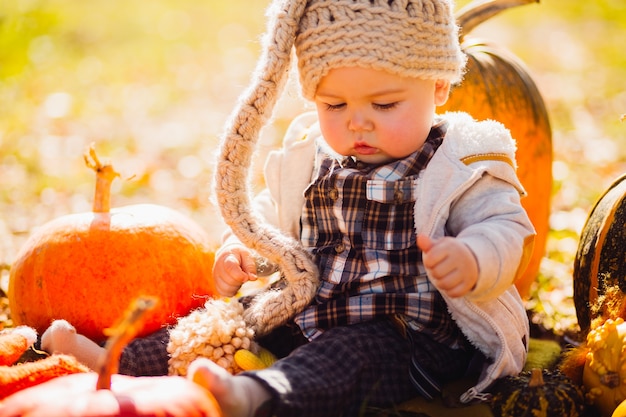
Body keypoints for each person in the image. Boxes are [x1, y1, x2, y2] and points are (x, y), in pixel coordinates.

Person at [42, 0, 535, 416]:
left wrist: (473, 259)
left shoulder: (460, 163)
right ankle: (113, 358)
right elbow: (272, 217)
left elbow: (506, 227)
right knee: (227, 323)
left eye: (384, 105)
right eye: (333, 105)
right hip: (307, 307)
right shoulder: (312, 156)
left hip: (405, 337)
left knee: (350, 356)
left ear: (438, 88)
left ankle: (258, 395)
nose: (357, 124)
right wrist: (244, 251)